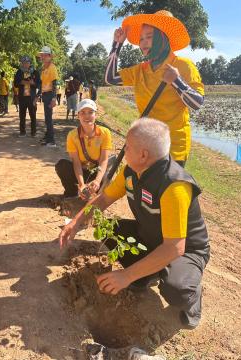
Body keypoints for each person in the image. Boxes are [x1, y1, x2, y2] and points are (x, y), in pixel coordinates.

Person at [59, 118, 210, 329]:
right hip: (151, 236)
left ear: (144, 155)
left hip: (185, 250)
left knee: (176, 289)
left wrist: (125, 275)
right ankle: (145, 275)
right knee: (108, 230)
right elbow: (103, 199)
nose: (124, 151)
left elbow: (175, 246)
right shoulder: (131, 171)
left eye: (127, 147)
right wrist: (75, 223)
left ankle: (192, 297)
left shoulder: (174, 186)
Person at [105, 10, 204, 167]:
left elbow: (197, 103)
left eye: (149, 37)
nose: (143, 43)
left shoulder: (184, 65)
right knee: (141, 190)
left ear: (163, 37)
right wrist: (117, 45)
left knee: (165, 190)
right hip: (146, 145)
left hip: (172, 148)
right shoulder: (140, 70)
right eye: (141, 38)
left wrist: (177, 81)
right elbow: (110, 78)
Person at [55, 99, 113, 199]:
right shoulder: (72, 135)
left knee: (107, 180)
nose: (87, 116)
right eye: (83, 113)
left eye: (90, 112)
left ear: (96, 114)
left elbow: (104, 160)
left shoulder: (105, 133)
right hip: (80, 171)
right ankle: (72, 193)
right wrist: (81, 185)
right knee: (62, 165)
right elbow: (76, 162)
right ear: (78, 116)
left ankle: (95, 191)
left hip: (95, 171)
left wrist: (97, 181)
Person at [13, 55, 40, 137]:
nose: (25, 64)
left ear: (29, 63)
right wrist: (23, 82)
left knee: (33, 115)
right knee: (22, 115)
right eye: (23, 63)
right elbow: (16, 83)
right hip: (22, 97)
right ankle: (22, 132)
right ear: (21, 63)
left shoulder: (35, 72)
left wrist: (32, 83)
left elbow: (38, 84)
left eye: (27, 62)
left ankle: (33, 132)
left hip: (31, 97)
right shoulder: (19, 72)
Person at [38, 46, 59, 147]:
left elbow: (55, 83)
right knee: (47, 118)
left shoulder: (52, 67)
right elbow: (42, 83)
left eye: (44, 55)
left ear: (50, 56)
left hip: (50, 94)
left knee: (49, 119)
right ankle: (48, 137)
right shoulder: (44, 68)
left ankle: (51, 141)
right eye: (42, 55)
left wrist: (54, 98)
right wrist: (38, 95)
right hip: (45, 94)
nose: (42, 57)